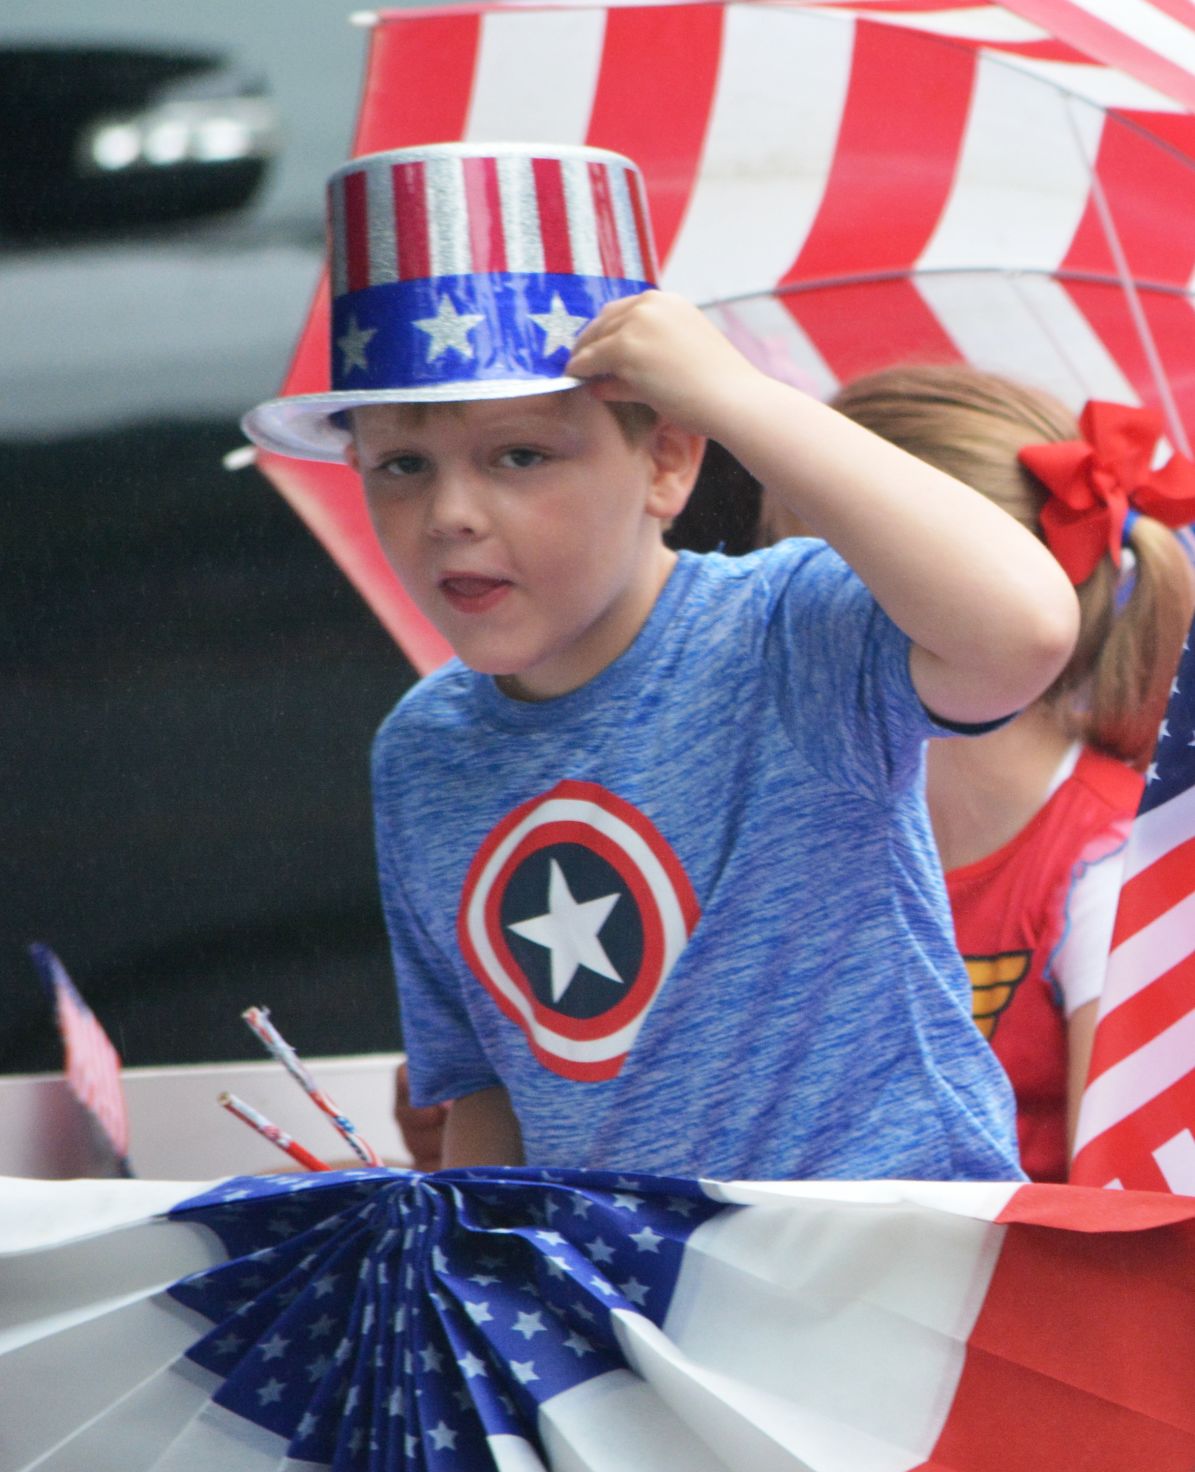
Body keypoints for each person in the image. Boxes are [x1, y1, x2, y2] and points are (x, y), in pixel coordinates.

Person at [243, 141, 1078, 1182]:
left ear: (670, 460)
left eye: (519, 455)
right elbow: (488, 1093)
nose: (451, 515)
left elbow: (1025, 629)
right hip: (635, 1316)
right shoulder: (420, 751)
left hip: (893, 1292)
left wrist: (735, 395)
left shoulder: (786, 631)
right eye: (402, 465)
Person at [761, 368, 1195, 1182]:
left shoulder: (1114, 873)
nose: (762, 606)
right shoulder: (787, 829)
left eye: (798, 567)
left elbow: (1124, 1219)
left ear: (931, 592)